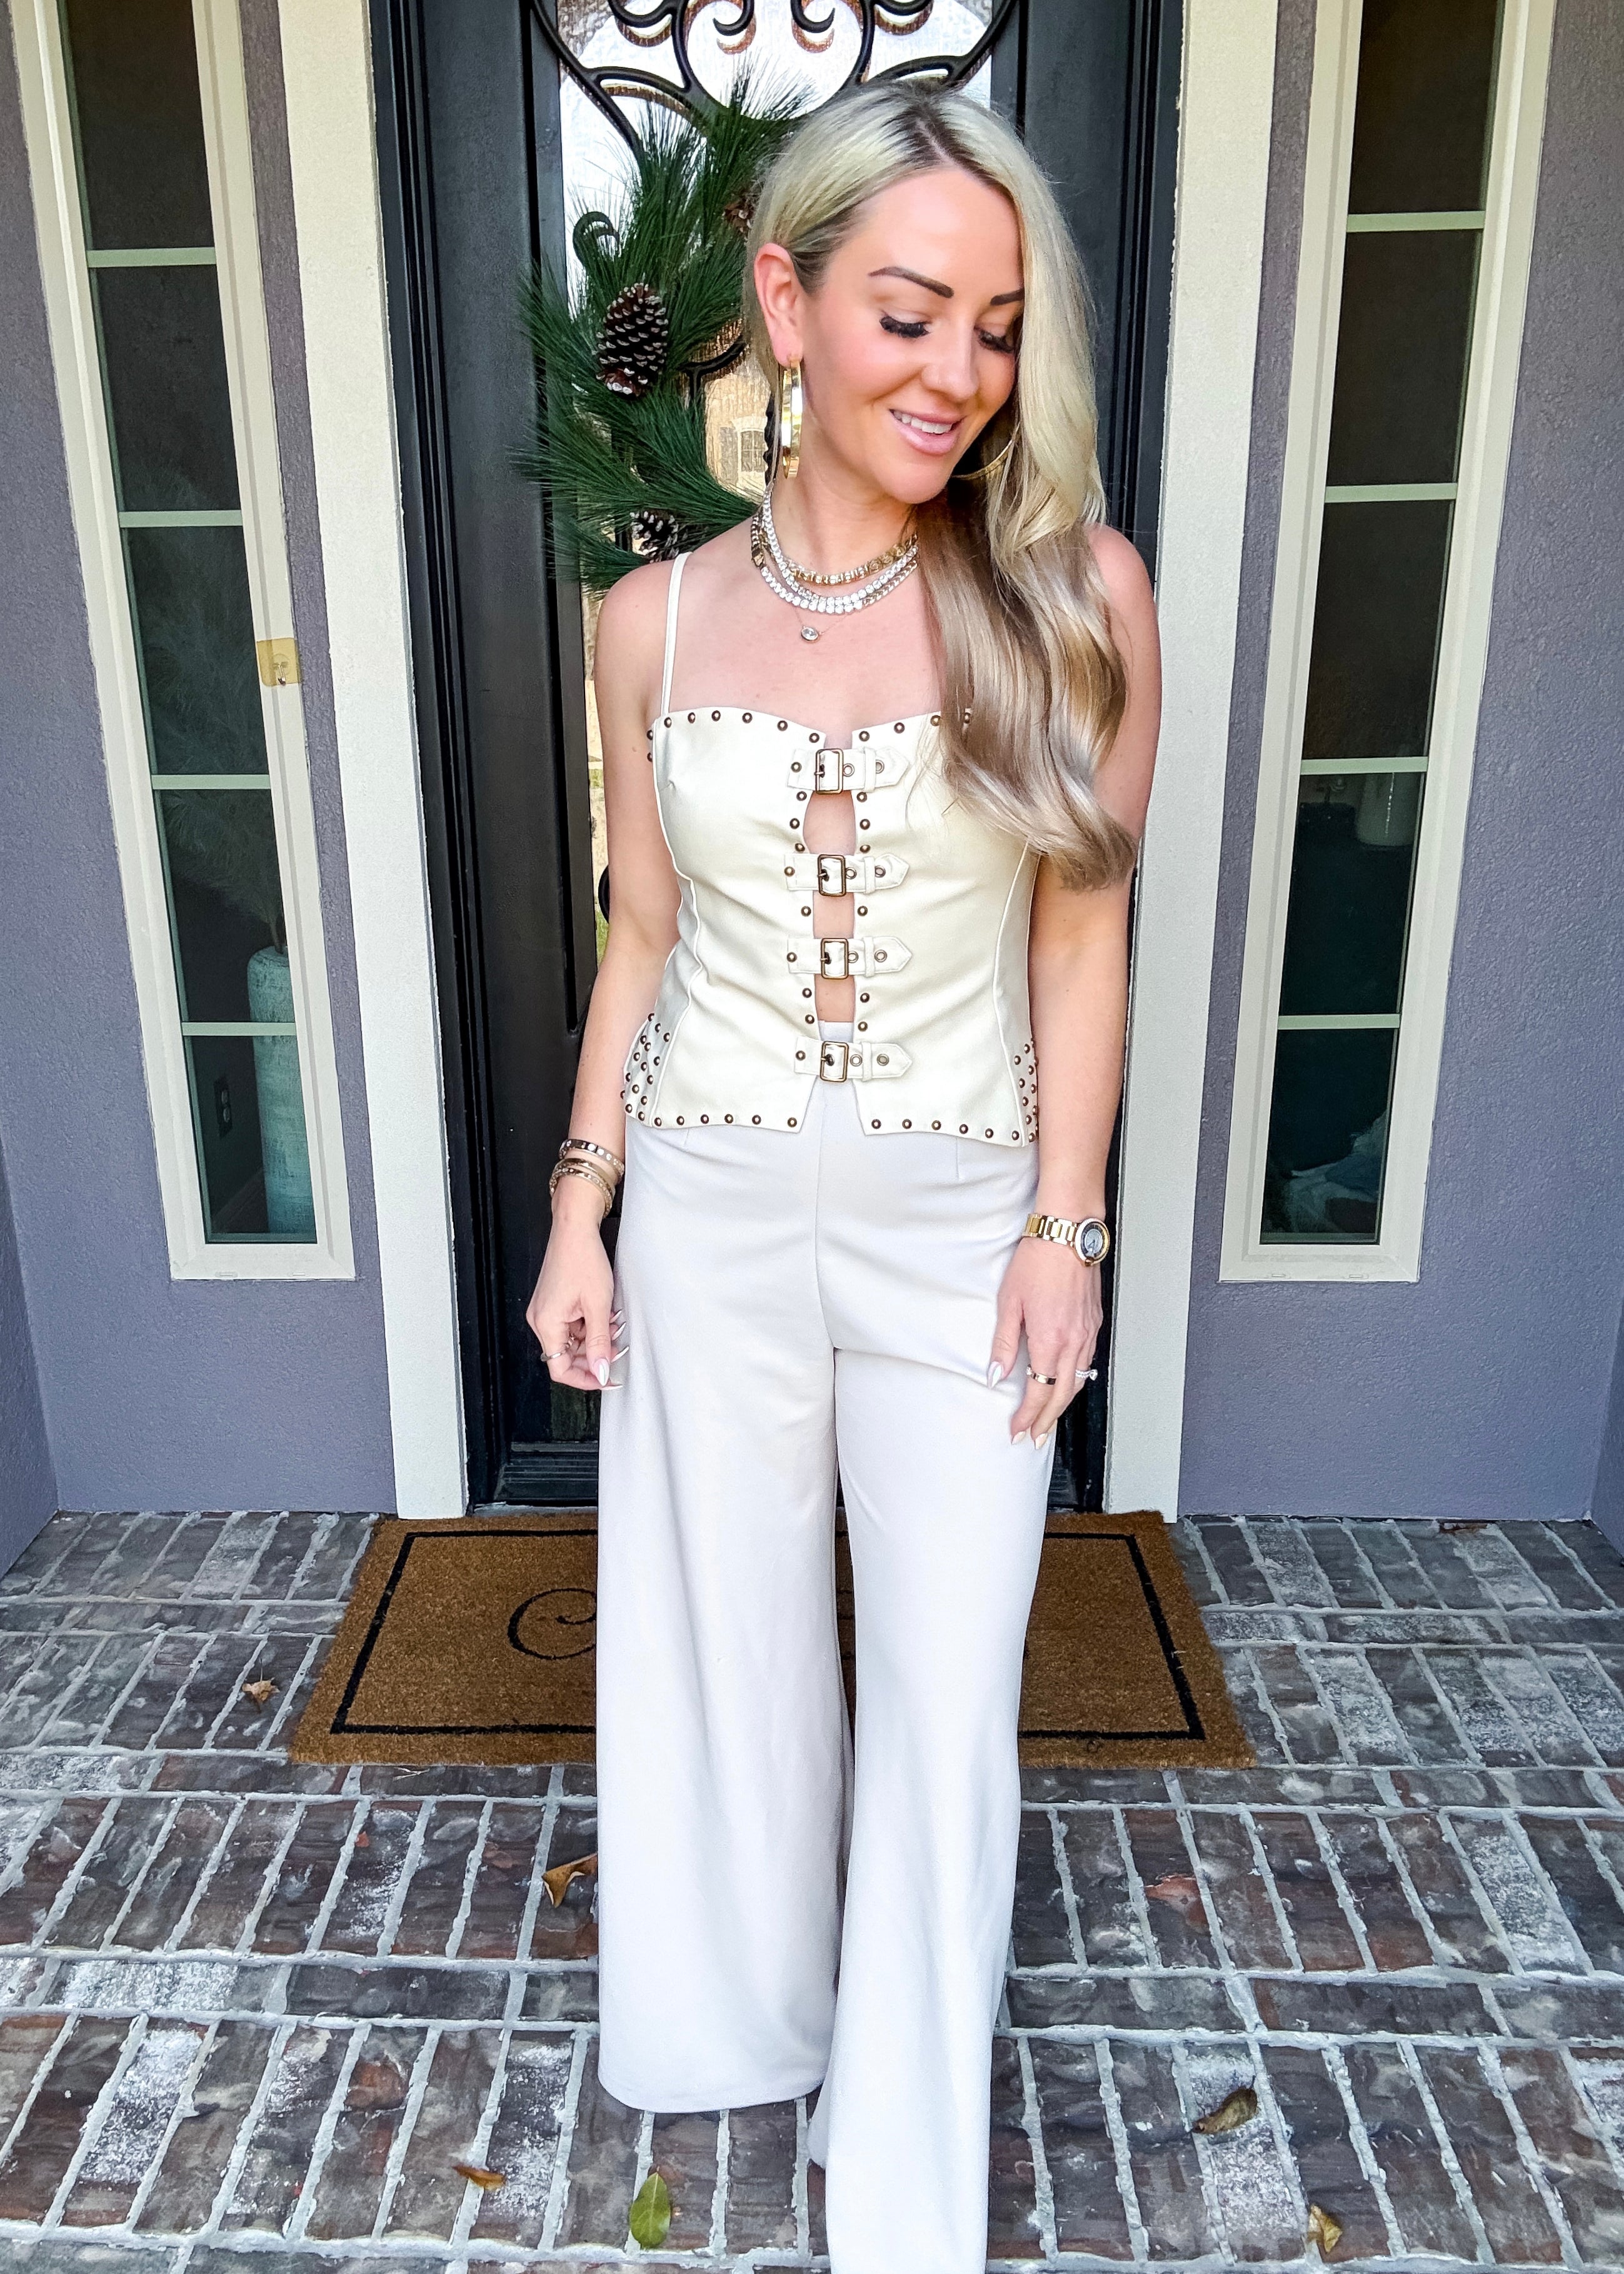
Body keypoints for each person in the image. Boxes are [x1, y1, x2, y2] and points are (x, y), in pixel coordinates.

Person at [526, 80, 1160, 2274]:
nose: (957, 374)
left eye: (997, 327)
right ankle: (743, 2026)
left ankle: (899, 2172)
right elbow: (644, 933)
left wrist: (1069, 1224)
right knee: (726, 1654)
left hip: (959, 1219)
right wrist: (581, 1205)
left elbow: (1082, 933)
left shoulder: (1071, 592)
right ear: (785, 304)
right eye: (910, 314)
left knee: (948, 1690)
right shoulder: (651, 620)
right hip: (705, 1203)